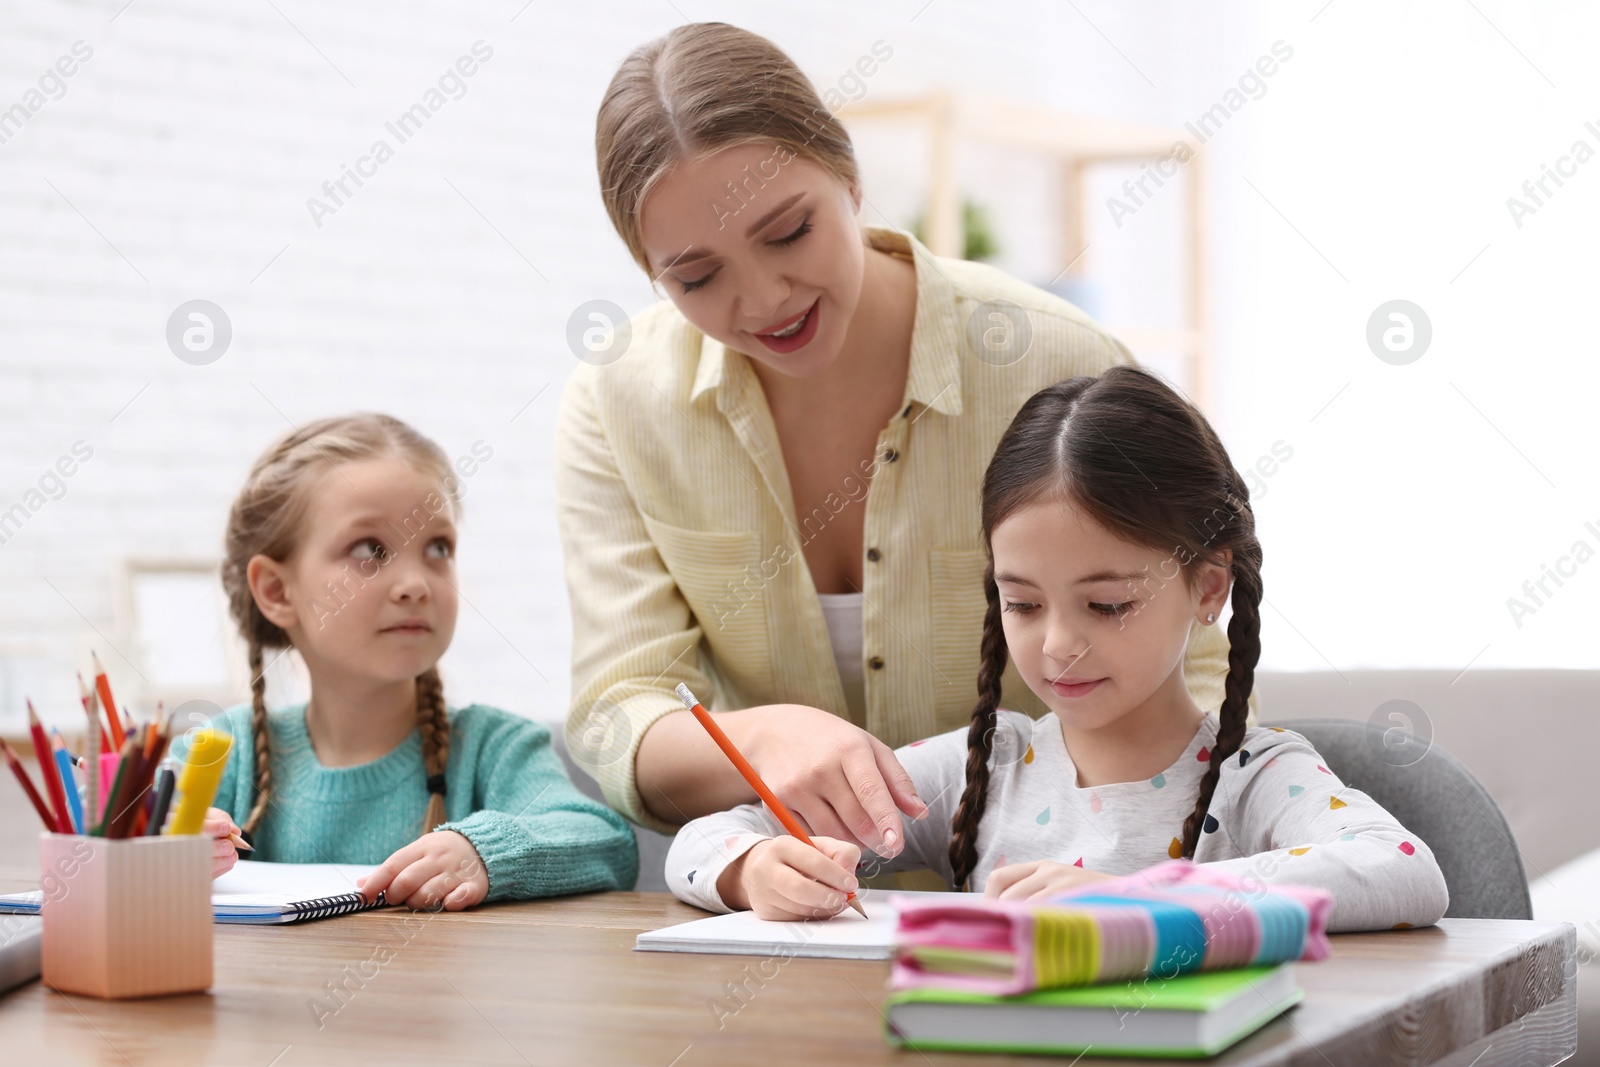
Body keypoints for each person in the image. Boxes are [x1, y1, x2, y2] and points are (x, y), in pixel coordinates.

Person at [558, 22, 1255, 861]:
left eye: (787, 232)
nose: (764, 297)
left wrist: (1124, 880)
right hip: (781, 925)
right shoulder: (618, 402)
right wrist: (768, 739)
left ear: (848, 176)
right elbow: (617, 709)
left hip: (1052, 929)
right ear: (650, 273)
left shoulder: (1056, 361)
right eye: (697, 277)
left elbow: (1197, 669)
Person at [665, 367, 1449, 933]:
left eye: (1107, 604)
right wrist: (749, 871)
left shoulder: (1254, 778)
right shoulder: (987, 763)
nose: (1058, 644)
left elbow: (1404, 867)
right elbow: (707, 839)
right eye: (1023, 602)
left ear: (1210, 589)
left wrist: (1136, 898)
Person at [188, 414, 637, 909]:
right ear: (276, 591)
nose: (416, 584)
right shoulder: (220, 755)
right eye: (369, 550)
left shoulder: (494, 748)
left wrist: (484, 852)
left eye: (437, 548)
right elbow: (118, 836)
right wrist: (159, 843)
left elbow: (604, 841)